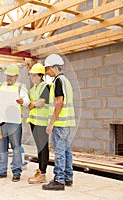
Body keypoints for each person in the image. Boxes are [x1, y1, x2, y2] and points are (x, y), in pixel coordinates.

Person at [0, 64, 30, 182]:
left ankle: (16, 172)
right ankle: (1, 171)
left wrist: (22, 101)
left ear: (16, 76)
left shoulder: (20, 87)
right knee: (2, 148)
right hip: (1, 122)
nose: (9, 78)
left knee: (16, 148)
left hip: (14, 122)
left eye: (12, 76)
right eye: (8, 75)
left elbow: (27, 101)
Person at [42, 54, 76, 191]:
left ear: (54, 68)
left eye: (47, 69)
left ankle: (59, 180)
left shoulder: (58, 81)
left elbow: (59, 102)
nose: (46, 72)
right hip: (66, 123)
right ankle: (68, 178)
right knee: (66, 150)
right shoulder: (65, 81)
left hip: (60, 124)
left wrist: (51, 123)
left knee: (60, 152)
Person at [26, 63, 50, 184]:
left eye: (34, 75)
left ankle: (43, 173)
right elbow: (29, 104)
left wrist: (32, 103)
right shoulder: (33, 89)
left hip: (42, 122)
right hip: (34, 121)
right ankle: (40, 171)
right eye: (31, 75)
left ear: (41, 76)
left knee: (43, 147)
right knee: (39, 147)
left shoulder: (45, 87)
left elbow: (40, 103)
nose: (32, 77)